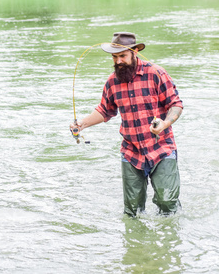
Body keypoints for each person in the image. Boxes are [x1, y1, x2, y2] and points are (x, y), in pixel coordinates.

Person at [70, 32, 183, 217]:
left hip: (161, 148)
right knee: (132, 211)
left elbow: (176, 104)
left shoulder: (156, 73)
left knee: (167, 202)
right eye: (115, 57)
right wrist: (81, 124)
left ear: (135, 52)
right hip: (131, 153)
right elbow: (105, 111)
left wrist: (165, 123)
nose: (118, 61)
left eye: (122, 56)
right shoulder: (112, 82)